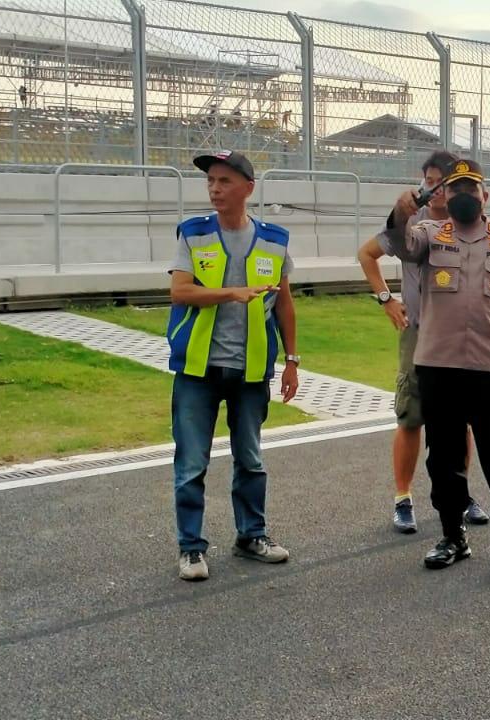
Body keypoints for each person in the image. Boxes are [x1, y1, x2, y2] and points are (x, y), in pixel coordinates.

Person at [388, 157, 490, 582]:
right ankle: (452, 537)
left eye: (470, 189)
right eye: (455, 189)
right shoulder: (428, 235)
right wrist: (401, 212)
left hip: (488, 368)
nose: (463, 196)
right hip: (436, 367)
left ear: (484, 196)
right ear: (445, 195)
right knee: (443, 458)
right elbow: (399, 244)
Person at [166, 150, 301, 582]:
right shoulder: (194, 233)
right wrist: (231, 292)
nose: (215, 189)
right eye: (210, 181)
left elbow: (284, 303)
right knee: (191, 464)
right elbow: (180, 291)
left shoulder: (275, 240)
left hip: (251, 372)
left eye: (224, 181)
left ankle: (252, 536)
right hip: (198, 371)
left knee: (251, 460)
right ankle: (191, 547)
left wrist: (292, 360)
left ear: (248, 188)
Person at [355, 150, 489, 533]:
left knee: (460, 420)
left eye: (443, 182)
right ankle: (403, 498)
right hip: (418, 332)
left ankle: (460, 494)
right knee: (411, 417)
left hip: (460, 335)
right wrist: (386, 299)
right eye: (430, 181)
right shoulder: (412, 223)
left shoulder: (473, 223)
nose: (436, 189)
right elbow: (367, 254)